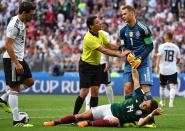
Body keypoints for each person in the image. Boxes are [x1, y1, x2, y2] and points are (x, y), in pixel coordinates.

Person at [43, 69, 161, 128]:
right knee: (80, 115)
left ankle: (88, 124)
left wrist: (151, 115)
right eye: (146, 101)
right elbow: (136, 79)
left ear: (147, 110)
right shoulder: (140, 97)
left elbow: (140, 124)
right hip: (109, 107)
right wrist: (134, 67)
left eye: (146, 105)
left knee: (115, 121)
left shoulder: (143, 115)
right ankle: (55, 122)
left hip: (114, 117)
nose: (143, 103)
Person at [73, 16, 130, 115]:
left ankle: (92, 116)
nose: (100, 24)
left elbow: (108, 45)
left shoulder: (101, 33)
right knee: (84, 92)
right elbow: (104, 50)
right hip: (86, 66)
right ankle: (74, 116)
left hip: (96, 65)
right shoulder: (88, 38)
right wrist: (120, 55)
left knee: (95, 91)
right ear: (91, 26)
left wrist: (120, 48)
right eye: (97, 23)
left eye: (99, 22)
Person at [0, 2, 36, 127]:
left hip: (19, 57)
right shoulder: (14, 24)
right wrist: (16, 63)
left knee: (30, 81)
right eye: (31, 14)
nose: (32, 16)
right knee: (14, 88)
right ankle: (17, 120)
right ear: (24, 13)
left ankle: (3, 98)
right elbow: (8, 44)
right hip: (12, 59)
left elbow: (10, 42)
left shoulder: (20, 23)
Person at [119, 5, 153, 100]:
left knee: (145, 87)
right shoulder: (122, 31)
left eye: (125, 14)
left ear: (132, 13)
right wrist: (128, 54)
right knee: (127, 88)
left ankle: (150, 114)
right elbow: (123, 46)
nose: (123, 16)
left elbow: (150, 46)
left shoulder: (143, 29)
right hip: (130, 62)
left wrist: (140, 58)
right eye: (122, 14)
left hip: (143, 62)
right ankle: (129, 113)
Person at [85, 22, 114, 110]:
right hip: (101, 62)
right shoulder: (105, 34)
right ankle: (112, 105)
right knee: (107, 84)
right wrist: (107, 61)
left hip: (91, 63)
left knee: (90, 85)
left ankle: (87, 107)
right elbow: (106, 48)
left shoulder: (89, 33)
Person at [156, 32, 181, 108]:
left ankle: (162, 102)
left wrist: (157, 67)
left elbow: (158, 58)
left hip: (163, 69)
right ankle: (171, 103)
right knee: (173, 86)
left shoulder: (161, 46)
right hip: (172, 69)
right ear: (172, 38)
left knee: (162, 86)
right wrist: (174, 63)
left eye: (164, 35)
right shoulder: (176, 47)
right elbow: (178, 59)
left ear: (166, 37)